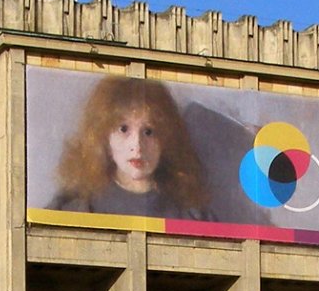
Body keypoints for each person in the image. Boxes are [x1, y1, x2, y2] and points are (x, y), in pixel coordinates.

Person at [50, 75, 210, 219]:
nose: (137, 146)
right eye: (123, 129)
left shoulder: (192, 214)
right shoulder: (75, 207)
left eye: (148, 131)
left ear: (166, 138)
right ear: (103, 136)